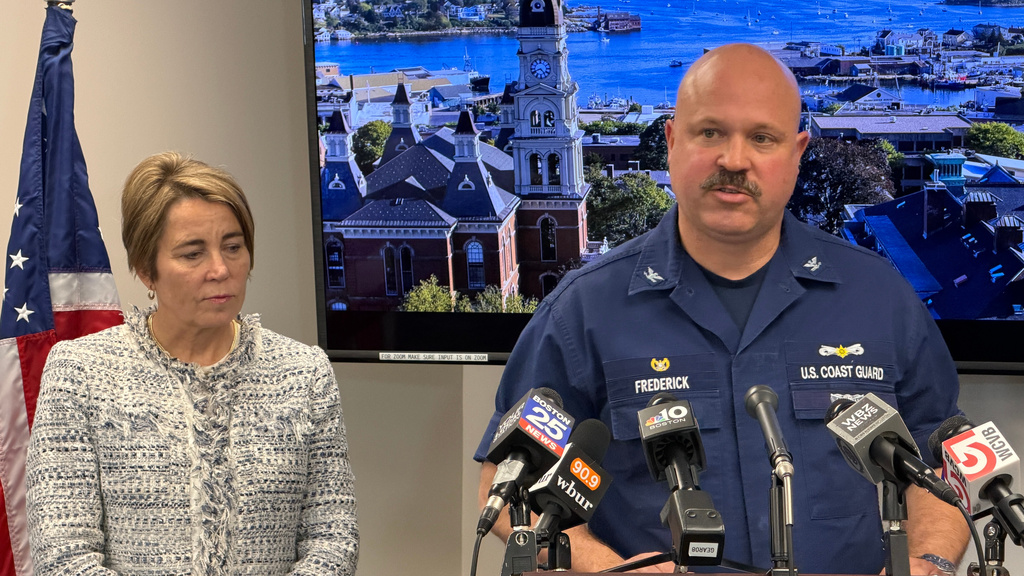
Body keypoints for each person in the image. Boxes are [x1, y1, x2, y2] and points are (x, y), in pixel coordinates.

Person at [475, 44, 968, 574]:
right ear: (671, 142)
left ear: (797, 153)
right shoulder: (581, 312)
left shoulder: (880, 296)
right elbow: (505, 486)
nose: (734, 160)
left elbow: (946, 460)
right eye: (710, 132)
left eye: (762, 138)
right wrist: (603, 568)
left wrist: (929, 561)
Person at [26, 152, 359, 576]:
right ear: (146, 269)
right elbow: (64, 557)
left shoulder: (305, 372)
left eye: (233, 247)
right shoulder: (80, 373)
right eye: (192, 254)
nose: (220, 269)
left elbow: (333, 539)